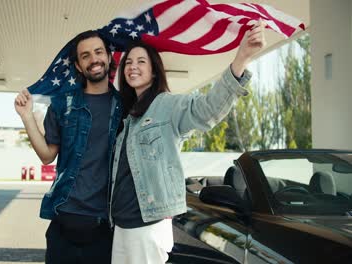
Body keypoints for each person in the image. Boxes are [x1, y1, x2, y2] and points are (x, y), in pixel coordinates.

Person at [109, 20, 266, 264]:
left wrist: (241, 59)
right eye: (128, 62)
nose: (132, 66)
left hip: (147, 226)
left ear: (154, 70)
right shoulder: (127, 116)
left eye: (141, 61)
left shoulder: (167, 105)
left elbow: (208, 109)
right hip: (120, 224)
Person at [14, 30, 122, 264]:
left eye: (98, 52)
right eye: (85, 56)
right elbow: (46, 156)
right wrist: (27, 117)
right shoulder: (62, 103)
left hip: (105, 227)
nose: (93, 59)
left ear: (109, 57)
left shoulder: (126, 107)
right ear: (79, 66)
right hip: (63, 223)